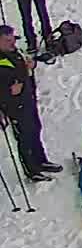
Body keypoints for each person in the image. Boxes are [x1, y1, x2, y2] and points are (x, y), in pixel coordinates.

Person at [0, 27, 56, 181]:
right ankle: (32, 170)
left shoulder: (15, 53)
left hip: (27, 98)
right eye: (7, 40)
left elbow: (23, 70)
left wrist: (31, 66)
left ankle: (41, 160)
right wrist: (9, 91)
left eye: (12, 39)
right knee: (24, 137)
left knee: (35, 129)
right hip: (13, 106)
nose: (12, 43)